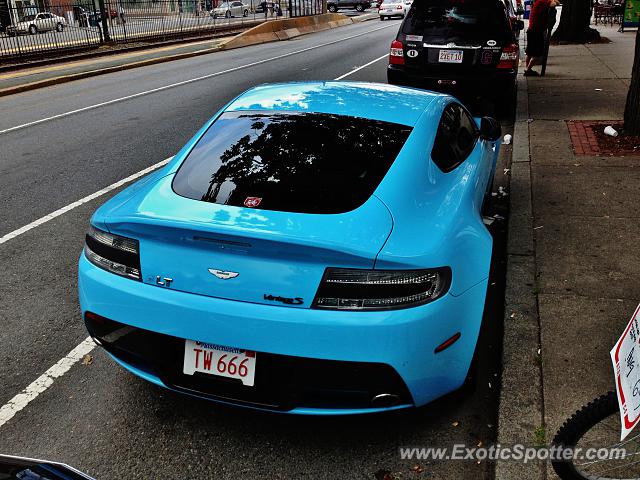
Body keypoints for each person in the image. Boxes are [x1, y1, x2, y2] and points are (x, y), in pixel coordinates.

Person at [524, 0, 559, 76]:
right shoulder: (542, 2)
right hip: (537, 31)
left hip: (531, 30)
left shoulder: (538, 3)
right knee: (537, 54)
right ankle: (528, 69)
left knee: (530, 52)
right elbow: (554, 4)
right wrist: (553, 1)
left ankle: (527, 68)